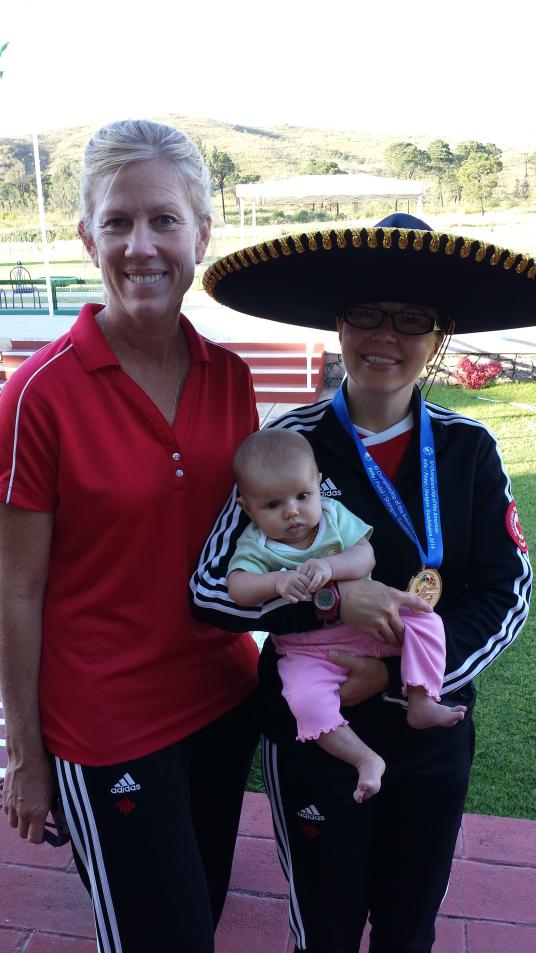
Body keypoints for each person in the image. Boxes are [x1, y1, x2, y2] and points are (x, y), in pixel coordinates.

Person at [191, 213, 533, 953]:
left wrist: (401, 670)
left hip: (431, 727)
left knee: (409, 926)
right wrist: (332, 598)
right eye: (367, 313)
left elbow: (506, 592)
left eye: (413, 319)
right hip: (315, 734)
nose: (386, 335)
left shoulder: (470, 447)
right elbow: (211, 588)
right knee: (326, 926)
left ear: (439, 337)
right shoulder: (286, 446)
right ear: (338, 325)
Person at [0, 119, 260, 953]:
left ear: (201, 234)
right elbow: (15, 588)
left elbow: (252, 541)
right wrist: (25, 755)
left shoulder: (232, 378)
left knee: (199, 916)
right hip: (105, 725)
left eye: (163, 220)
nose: (141, 245)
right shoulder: (38, 396)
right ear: (88, 237)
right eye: (117, 222)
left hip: (224, 701)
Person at [228, 428, 465, 803]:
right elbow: (237, 588)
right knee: (304, 699)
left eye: (302, 496)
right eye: (273, 505)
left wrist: (331, 568)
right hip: (306, 651)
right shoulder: (256, 543)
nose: (292, 511)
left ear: (318, 483)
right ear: (248, 508)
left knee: (426, 620)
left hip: (369, 628)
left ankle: (421, 699)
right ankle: (364, 758)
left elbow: (365, 556)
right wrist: (275, 581)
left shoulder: (333, 516)